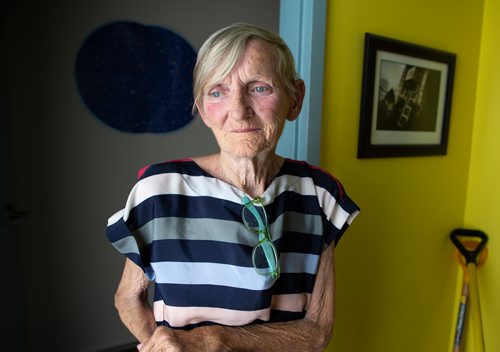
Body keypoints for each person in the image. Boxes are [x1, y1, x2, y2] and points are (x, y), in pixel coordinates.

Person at [106, 22, 360, 351]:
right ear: (201, 108)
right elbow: (127, 299)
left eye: (259, 88)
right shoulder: (160, 191)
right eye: (218, 92)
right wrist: (164, 346)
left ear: (295, 99)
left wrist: (214, 339)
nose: (239, 110)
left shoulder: (320, 195)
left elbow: (317, 331)